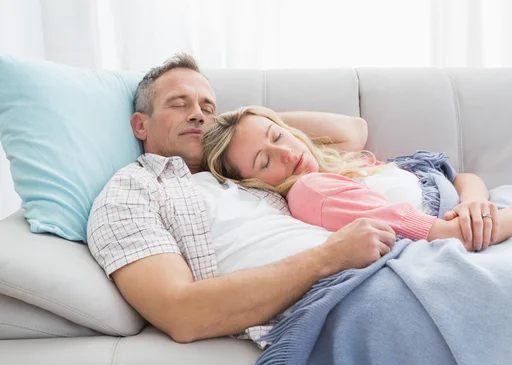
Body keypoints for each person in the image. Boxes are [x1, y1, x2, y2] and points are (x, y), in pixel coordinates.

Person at [86, 53, 398, 345]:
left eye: (207, 108)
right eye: (180, 105)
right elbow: (180, 312)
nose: (197, 115)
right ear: (141, 124)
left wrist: (249, 124)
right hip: (344, 290)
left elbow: (352, 133)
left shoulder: (239, 164)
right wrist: (331, 257)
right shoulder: (132, 190)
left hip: (387, 257)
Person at [199, 105, 512, 252]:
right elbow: (447, 235)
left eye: (278, 135)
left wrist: (472, 203)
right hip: (498, 227)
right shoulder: (312, 190)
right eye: (265, 161)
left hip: (495, 212)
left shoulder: (335, 167)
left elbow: (463, 177)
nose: (288, 152)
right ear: (254, 185)